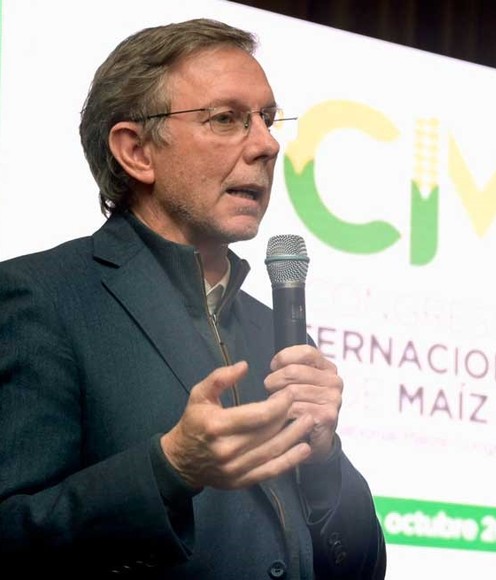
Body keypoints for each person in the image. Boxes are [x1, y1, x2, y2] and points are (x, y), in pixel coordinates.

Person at [0, 18, 386, 579]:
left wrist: (325, 462)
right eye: (226, 118)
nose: (267, 144)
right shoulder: (42, 299)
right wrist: (167, 470)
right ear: (137, 151)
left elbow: (360, 570)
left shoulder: (275, 332)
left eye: (268, 118)